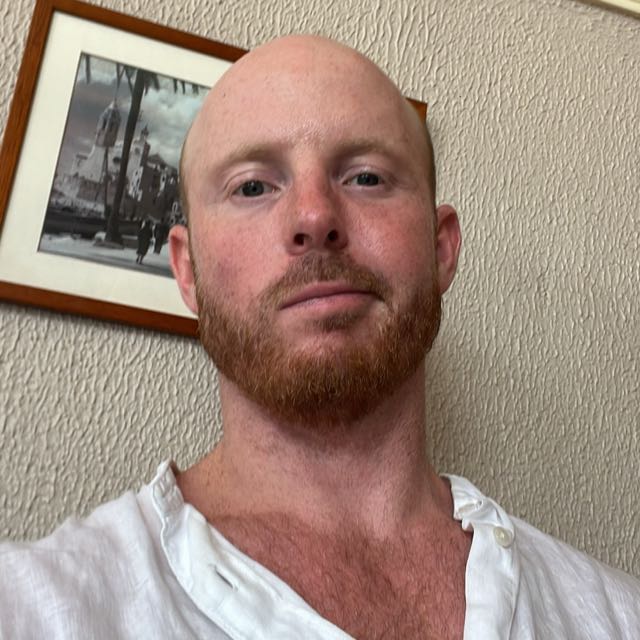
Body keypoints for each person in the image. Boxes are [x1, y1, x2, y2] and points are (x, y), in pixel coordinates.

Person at [1, 35, 639, 639]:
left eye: (366, 177)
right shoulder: (32, 606)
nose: (313, 217)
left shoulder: (618, 615)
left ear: (441, 248)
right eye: (253, 186)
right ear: (187, 270)